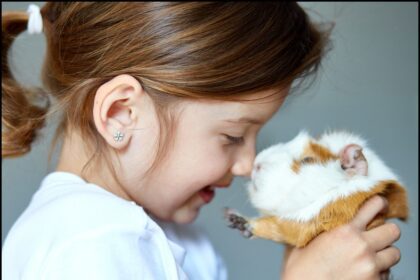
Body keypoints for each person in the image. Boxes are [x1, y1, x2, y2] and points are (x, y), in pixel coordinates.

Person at [2, 2, 401, 279]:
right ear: (120, 114)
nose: (246, 164)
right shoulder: (95, 242)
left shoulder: (154, 232)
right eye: (232, 136)